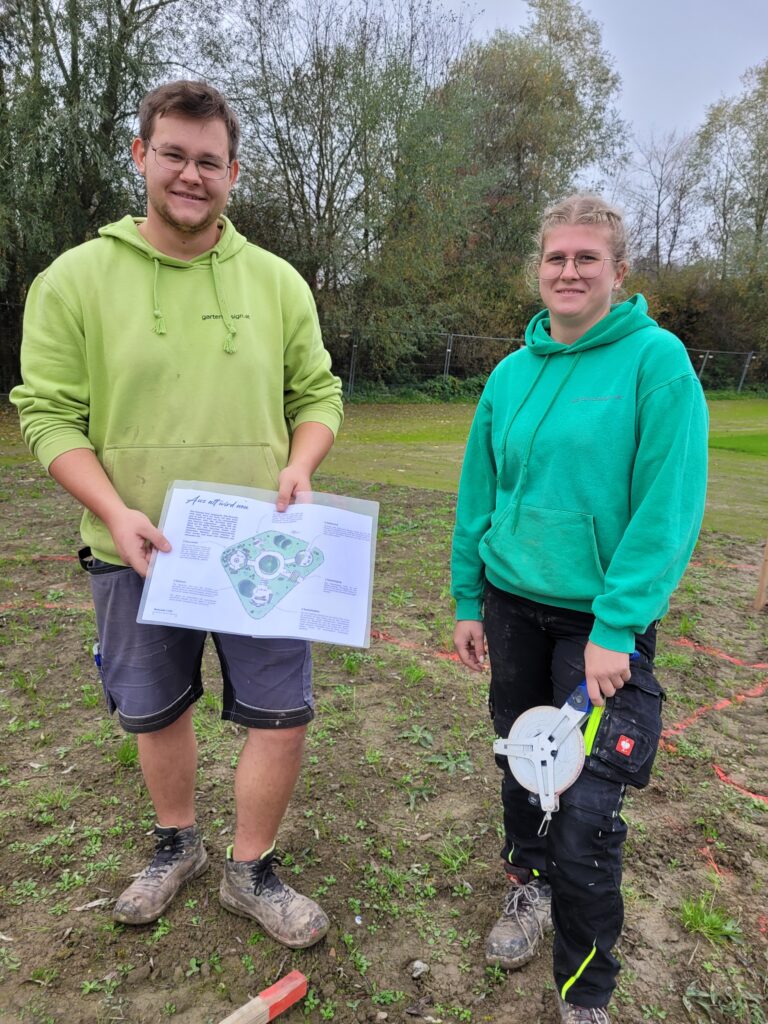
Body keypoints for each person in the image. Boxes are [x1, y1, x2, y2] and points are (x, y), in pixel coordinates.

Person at [11, 81, 343, 950]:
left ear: (232, 172)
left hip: (262, 546)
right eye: (174, 155)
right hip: (136, 549)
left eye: (209, 160)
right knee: (156, 711)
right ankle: (176, 846)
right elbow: (47, 416)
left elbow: (318, 394)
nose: (190, 175)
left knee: (281, 712)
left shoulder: (275, 282)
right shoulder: (73, 281)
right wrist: (114, 511)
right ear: (140, 156)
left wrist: (303, 463)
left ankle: (252, 869)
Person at [451, 195, 708, 1022]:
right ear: (540, 268)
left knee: (589, 807)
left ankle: (586, 993)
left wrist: (616, 626)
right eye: (556, 258)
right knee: (522, 762)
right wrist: (467, 597)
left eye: (585, 259)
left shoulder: (656, 363)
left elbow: (665, 508)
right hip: (510, 607)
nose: (568, 271)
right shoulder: (510, 373)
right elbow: (478, 494)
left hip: (597, 630)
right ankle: (526, 886)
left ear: (618, 272)